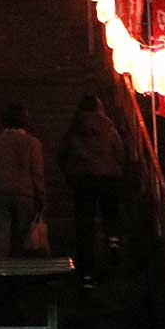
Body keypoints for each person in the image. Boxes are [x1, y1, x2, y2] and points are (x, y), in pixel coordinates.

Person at [58, 94, 126, 287]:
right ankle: (113, 242)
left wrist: (70, 173)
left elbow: (62, 154)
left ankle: (87, 272)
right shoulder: (109, 129)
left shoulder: (74, 130)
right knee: (110, 214)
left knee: (84, 226)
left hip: (82, 181)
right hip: (108, 178)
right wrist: (117, 169)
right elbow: (120, 152)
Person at [0, 104, 45, 258]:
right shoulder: (32, 143)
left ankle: (0, 267)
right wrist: (41, 197)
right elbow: (37, 173)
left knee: (0, 236)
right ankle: (21, 266)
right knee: (23, 236)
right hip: (25, 194)